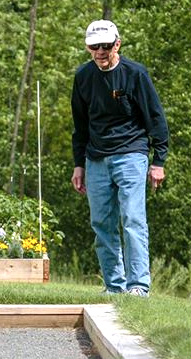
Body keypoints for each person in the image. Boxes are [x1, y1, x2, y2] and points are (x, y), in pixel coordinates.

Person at [71, 20, 169, 297]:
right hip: (96, 158)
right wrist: (79, 164)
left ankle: (138, 285)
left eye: (106, 46)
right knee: (101, 222)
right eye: (94, 46)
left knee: (132, 219)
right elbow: (80, 125)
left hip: (131, 154)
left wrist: (158, 160)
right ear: (88, 47)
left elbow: (156, 118)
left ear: (117, 44)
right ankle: (114, 286)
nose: (101, 51)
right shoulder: (83, 76)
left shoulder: (135, 74)